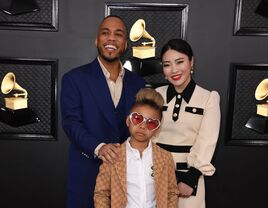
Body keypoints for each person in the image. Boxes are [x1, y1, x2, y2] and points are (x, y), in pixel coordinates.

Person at [60, 15, 145, 208]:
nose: (111, 39)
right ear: (97, 40)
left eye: (118, 34)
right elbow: (71, 123)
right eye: (105, 33)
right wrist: (99, 147)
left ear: (125, 44)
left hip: (128, 180)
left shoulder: (138, 83)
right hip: (86, 177)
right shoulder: (74, 79)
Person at [154, 38, 221, 208]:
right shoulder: (155, 95)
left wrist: (191, 179)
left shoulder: (208, 98)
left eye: (179, 62)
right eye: (167, 64)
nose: (174, 70)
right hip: (154, 174)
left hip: (187, 179)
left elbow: (207, 141)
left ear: (192, 62)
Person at [94, 88, 178, 208]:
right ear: (128, 120)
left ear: (157, 130)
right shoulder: (113, 155)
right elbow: (101, 193)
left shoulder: (165, 157)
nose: (143, 126)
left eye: (151, 123)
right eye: (137, 119)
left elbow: (172, 193)